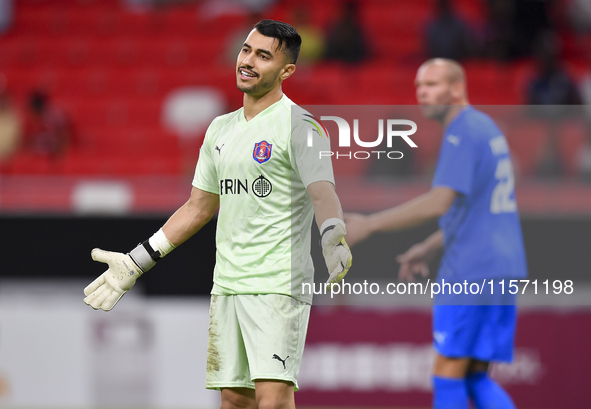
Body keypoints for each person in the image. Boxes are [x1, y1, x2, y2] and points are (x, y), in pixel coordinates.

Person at [83, 19, 352, 409]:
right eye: (246, 50)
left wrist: (332, 232)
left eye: (263, 56)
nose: (248, 61)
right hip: (227, 284)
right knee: (234, 401)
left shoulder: (301, 126)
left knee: (273, 399)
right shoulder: (219, 130)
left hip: (277, 284)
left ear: (287, 70)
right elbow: (198, 207)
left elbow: (322, 191)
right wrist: (136, 261)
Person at [345, 59, 527, 409]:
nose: (422, 92)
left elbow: (438, 202)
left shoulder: (462, 131)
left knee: (447, 370)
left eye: (431, 84)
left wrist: (370, 224)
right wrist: (429, 245)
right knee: (473, 374)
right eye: (419, 86)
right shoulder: (486, 128)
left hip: (472, 268)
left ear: (456, 89)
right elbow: (476, 210)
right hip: (503, 266)